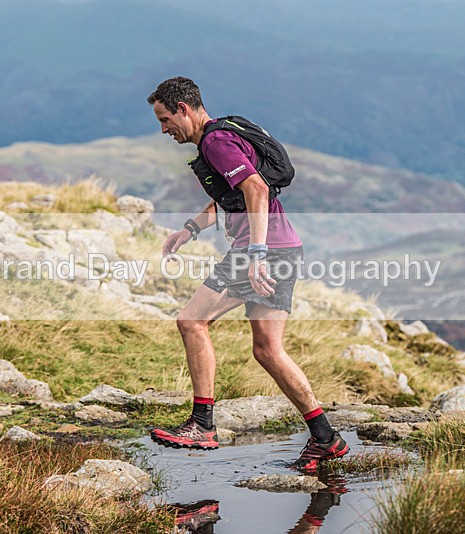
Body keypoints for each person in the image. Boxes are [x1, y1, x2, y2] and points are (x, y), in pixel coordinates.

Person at [146, 77, 348, 471]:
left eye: (166, 119)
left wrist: (255, 255)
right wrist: (189, 229)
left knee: (191, 321)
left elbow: (254, 189)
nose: (164, 129)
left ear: (184, 109)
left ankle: (203, 424)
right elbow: (229, 194)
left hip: (264, 251)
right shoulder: (224, 136)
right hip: (286, 248)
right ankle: (326, 438)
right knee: (268, 351)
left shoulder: (216, 142)